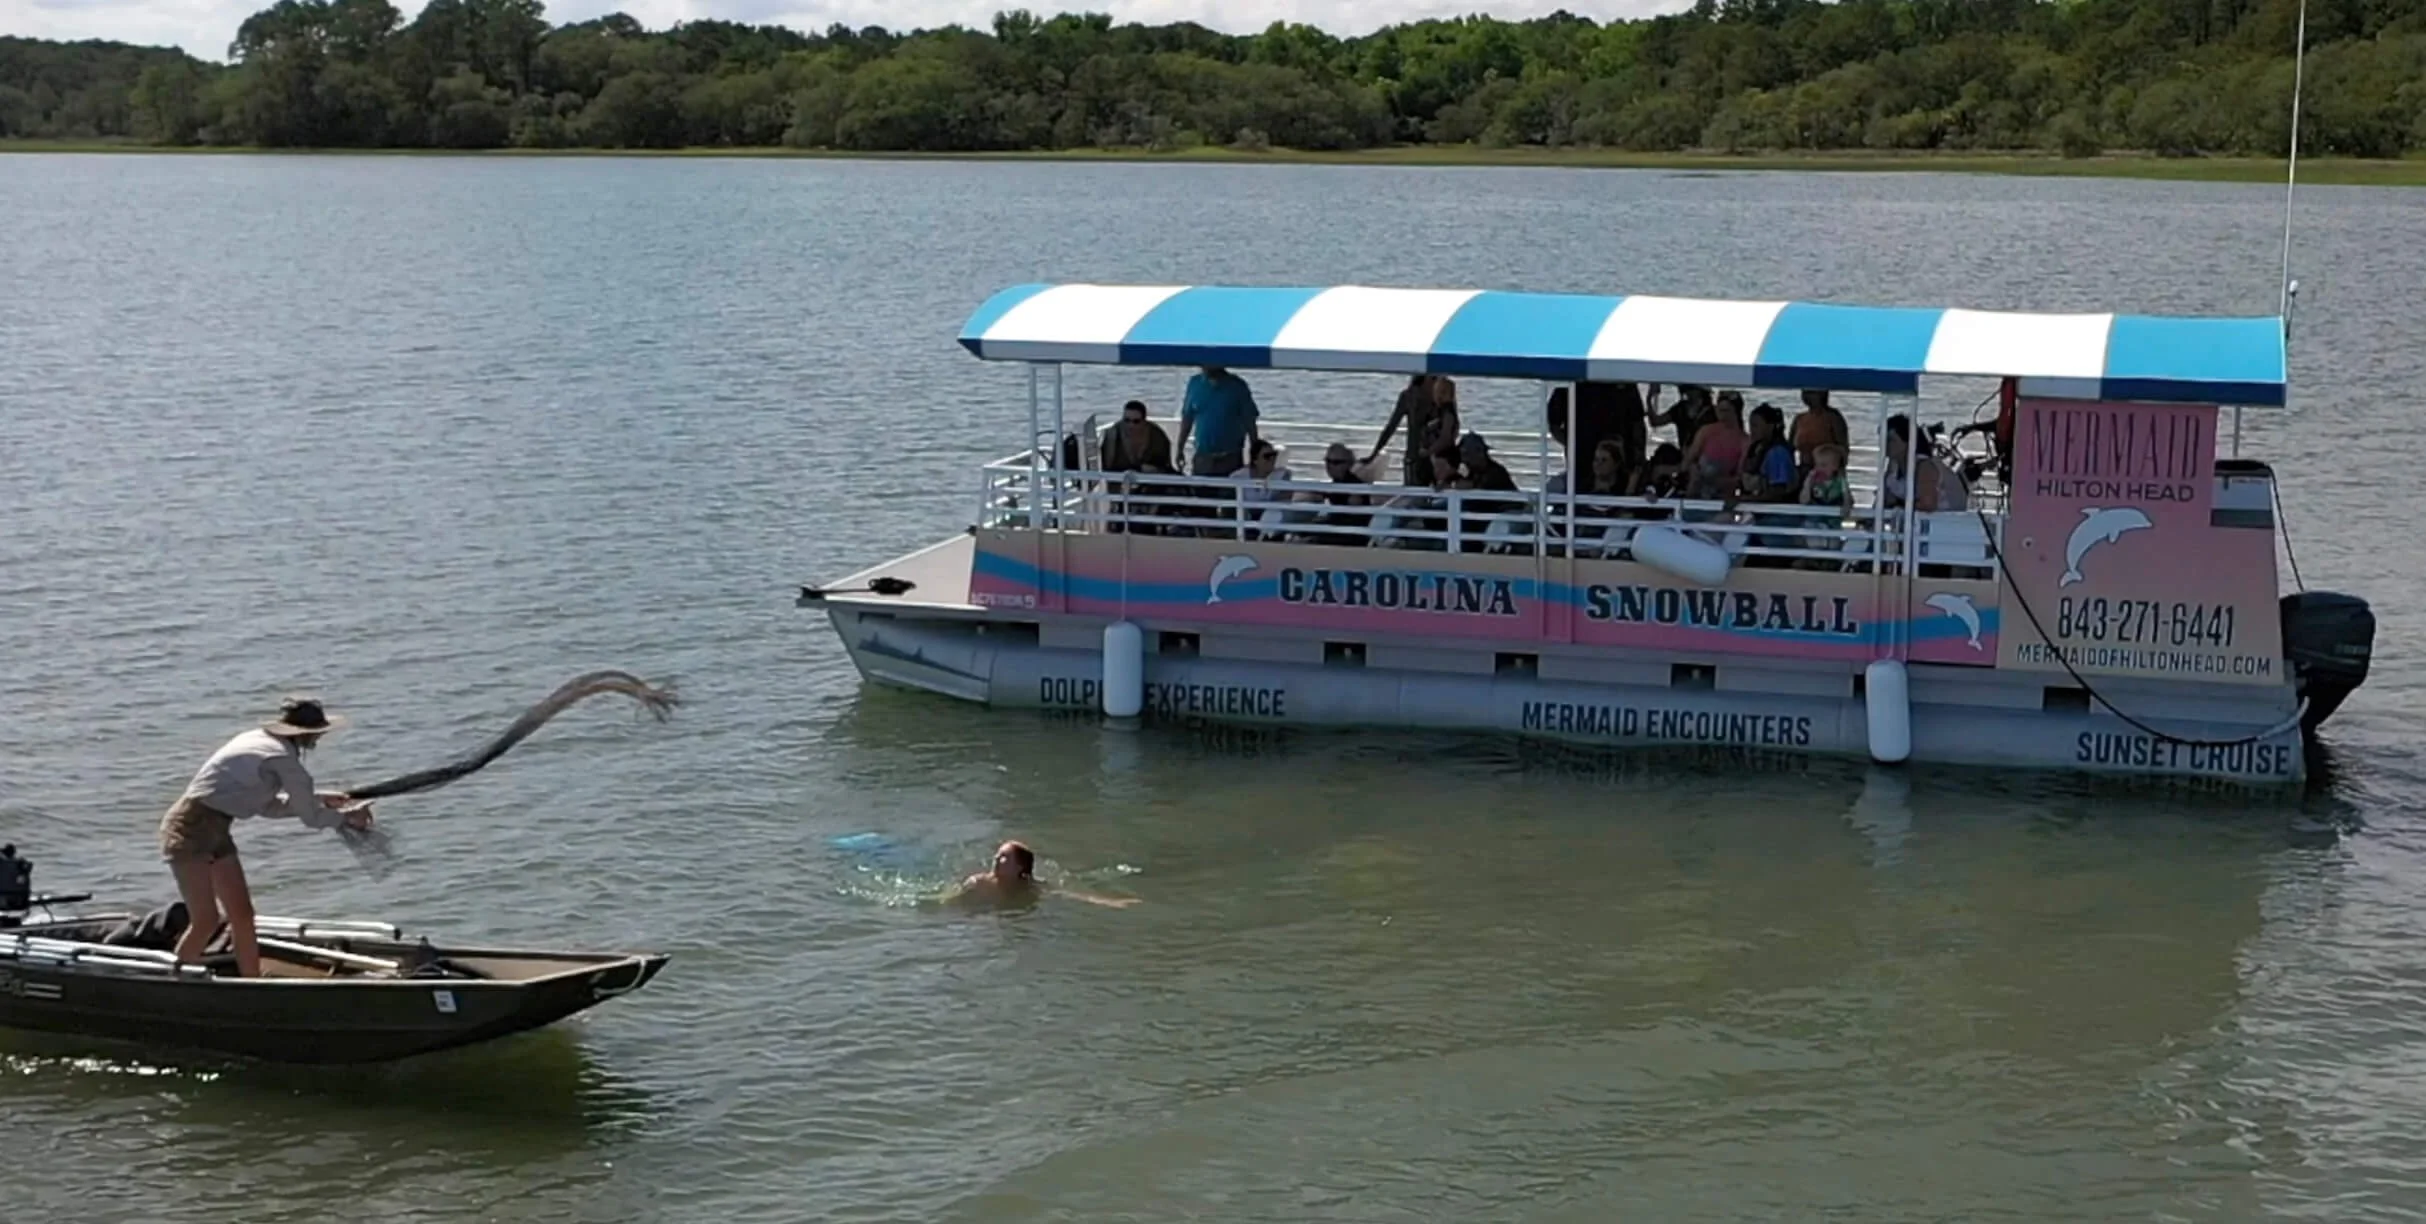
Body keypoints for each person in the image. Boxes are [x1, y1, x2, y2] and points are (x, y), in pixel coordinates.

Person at [157, 697, 374, 977]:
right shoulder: (284, 761)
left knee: (243, 915)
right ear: (309, 734)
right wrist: (346, 818)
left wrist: (320, 798)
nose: (319, 738)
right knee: (206, 920)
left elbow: (266, 805)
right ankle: (170, 980)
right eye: (318, 734)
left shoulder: (257, 741)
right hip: (188, 828)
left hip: (217, 828)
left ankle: (252, 982)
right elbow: (310, 818)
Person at [946, 840, 1138, 909]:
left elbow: (1067, 894)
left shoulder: (1030, 886)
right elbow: (950, 901)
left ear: (1020, 868)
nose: (997, 859)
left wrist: (1108, 902)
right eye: (997, 855)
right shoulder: (978, 883)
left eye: (1005, 858)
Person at [1174, 365, 1261, 480]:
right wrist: (1180, 449)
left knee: (1229, 494)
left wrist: (1255, 454)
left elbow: (1250, 422)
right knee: (1200, 493)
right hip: (1203, 457)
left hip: (1230, 458)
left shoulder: (1238, 386)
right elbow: (1187, 419)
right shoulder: (1195, 384)